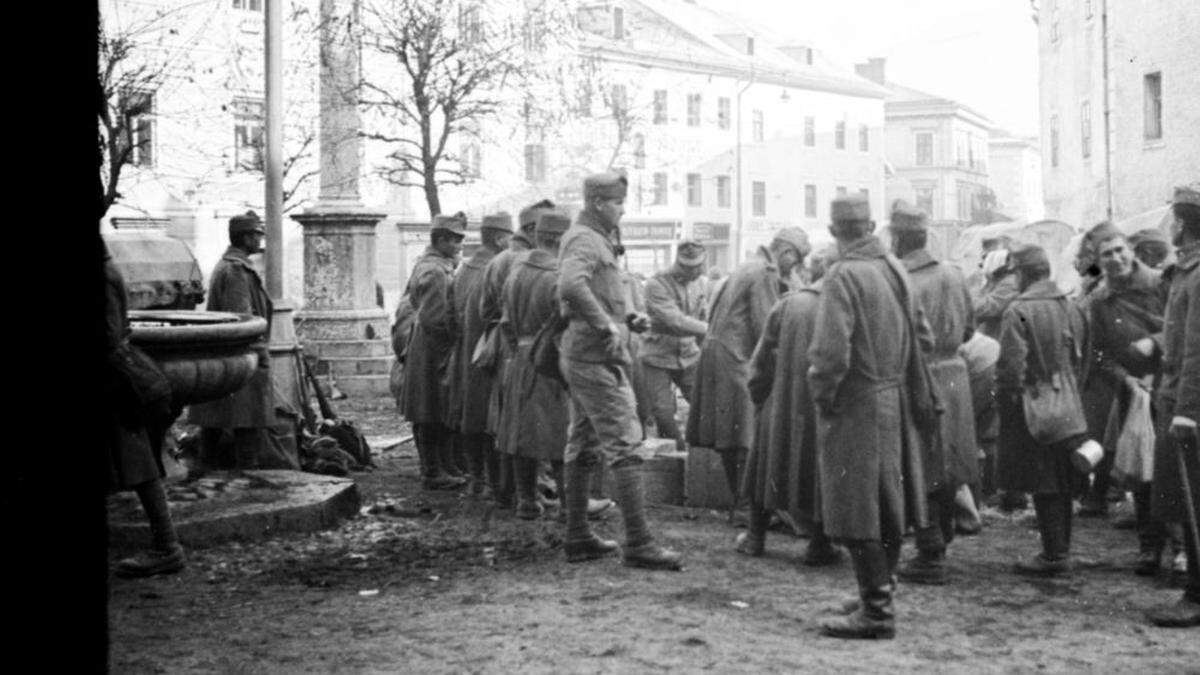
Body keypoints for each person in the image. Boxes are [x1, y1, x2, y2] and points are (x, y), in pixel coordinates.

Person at [809, 194, 934, 640]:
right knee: (889, 504)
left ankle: (877, 611)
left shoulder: (843, 275)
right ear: (872, 224)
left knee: (857, 504)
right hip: (895, 398)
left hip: (858, 403)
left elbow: (828, 355)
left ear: (833, 231)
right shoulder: (893, 267)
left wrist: (824, 398)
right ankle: (878, 591)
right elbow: (925, 335)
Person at [557, 171, 682, 571]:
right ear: (597, 203)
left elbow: (595, 290)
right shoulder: (584, 238)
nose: (623, 209)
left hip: (590, 354)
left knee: (583, 443)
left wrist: (626, 317)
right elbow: (570, 286)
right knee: (625, 444)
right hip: (594, 356)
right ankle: (640, 543)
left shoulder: (595, 239)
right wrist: (605, 324)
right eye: (617, 203)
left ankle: (577, 535)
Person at [687, 227, 809, 516]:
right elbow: (765, 325)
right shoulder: (764, 272)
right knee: (743, 435)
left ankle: (742, 504)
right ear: (786, 252)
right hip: (736, 357)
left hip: (719, 353)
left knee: (732, 434)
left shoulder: (747, 265)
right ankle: (745, 508)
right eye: (796, 260)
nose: (796, 267)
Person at [888, 202, 978, 586]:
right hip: (956, 375)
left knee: (921, 465)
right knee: (951, 464)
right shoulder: (955, 275)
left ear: (897, 238)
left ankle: (930, 550)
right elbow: (971, 329)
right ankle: (941, 542)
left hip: (921, 376)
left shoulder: (900, 280)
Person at [737, 243, 843, 566]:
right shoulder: (847, 307)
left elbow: (760, 364)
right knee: (821, 474)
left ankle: (755, 536)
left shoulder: (788, 305)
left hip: (781, 404)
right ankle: (819, 544)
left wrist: (762, 401)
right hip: (828, 408)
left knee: (765, 466)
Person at [996, 244, 1090, 578]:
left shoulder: (1018, 310)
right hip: (1070, 398)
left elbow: (1010, 367)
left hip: (1034, 402)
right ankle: (1060, 548)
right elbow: (1085, 354)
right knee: (1064, 474)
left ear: (1021, 273)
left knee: (1044, 477)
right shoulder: (1071, 305)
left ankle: (1053, 555)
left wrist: (1009, 399)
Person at [1087, 228, 1169, 574]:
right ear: (1098, 261)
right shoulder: (1099, 300)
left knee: (1172, 467)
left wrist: (1155, 341)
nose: (1116, 259)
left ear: (1131, 250)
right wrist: (1125, 379)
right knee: (1142, 471)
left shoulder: (1160, 283)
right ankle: (1149, 547)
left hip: (1168, 384)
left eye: (1120, 250)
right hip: (1132, 391)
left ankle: (1181, 549)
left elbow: (1184, 326)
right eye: (1107, 255)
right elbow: (1100, 354)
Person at [188, 211, 293, 470]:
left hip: (230, 357)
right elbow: (242, 320)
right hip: (242, 358)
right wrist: (260, 355)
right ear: (245, 238)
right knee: (246, 420)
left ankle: (206, 469)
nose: (259, 240)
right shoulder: (236, 270)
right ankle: (249, 476)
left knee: (220, 418)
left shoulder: (232, 266)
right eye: (256, 235)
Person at [104, 243, 185, 578]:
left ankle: (167, 547)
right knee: (135, 462)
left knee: (137, 463)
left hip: (112, 383)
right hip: (114, 380)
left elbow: (108, 336)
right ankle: (167, 546)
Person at [1143, 185, 1200, 628]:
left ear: (1181, 224)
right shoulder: (1187, 271)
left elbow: (1197, 349)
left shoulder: (1197, 275)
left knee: (1193, 500)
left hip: (1187, 404)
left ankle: (1197, 595)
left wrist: (1187, 411)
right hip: (1178, 396)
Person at [496, 211, 572, 520]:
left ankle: (526, 500)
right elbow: (567, 322)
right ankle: (571, 506)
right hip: (552, 360)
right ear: (558, 240)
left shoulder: (516, 272)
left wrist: (518, 353)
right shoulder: (557, 276)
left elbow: (504, 325)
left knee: (520, 433)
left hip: (519, 360)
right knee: (561, 434)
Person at [480, 200, 555, 505]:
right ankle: (538, 490)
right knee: (539, 424)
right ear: (532, 230)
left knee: (509, 424)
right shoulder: (534, 264)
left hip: (508, 352)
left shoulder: (499, 261)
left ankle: (505, 491)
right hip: (535, 353)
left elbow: (487, 311)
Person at [446, 212, 512, 497]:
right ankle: (495, 483)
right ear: (500, 238)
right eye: (510, 237)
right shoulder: (497, 269)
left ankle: (476, 479)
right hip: (490, 355)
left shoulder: (464, 269)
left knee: (471, 417)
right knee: (491, 419)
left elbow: (450, 314)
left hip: (465, 354)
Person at [401, 213, 468, 491]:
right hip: (432, 348)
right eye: (453, 240)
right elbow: (435, 318)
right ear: (439, 239)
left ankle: (443, 465)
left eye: (459, 239)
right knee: (429, 410)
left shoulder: (436, 265)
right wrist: (452, 344)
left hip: (428, 345)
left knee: (437, 409)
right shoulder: (435, 271)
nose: (458, 245)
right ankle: (432, 471)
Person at [640, 240, 709, 452]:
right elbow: (675, 321)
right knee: (662, 412)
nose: (694, 271)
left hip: (689, 355)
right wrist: (710, 329)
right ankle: (678, 456)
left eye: (698, 266)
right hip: (657, 356)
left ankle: (701, 456)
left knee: (704, 404)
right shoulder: (657, 284)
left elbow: (701, 315)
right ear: (678, 262)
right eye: (687, 266)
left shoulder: (700, 283)